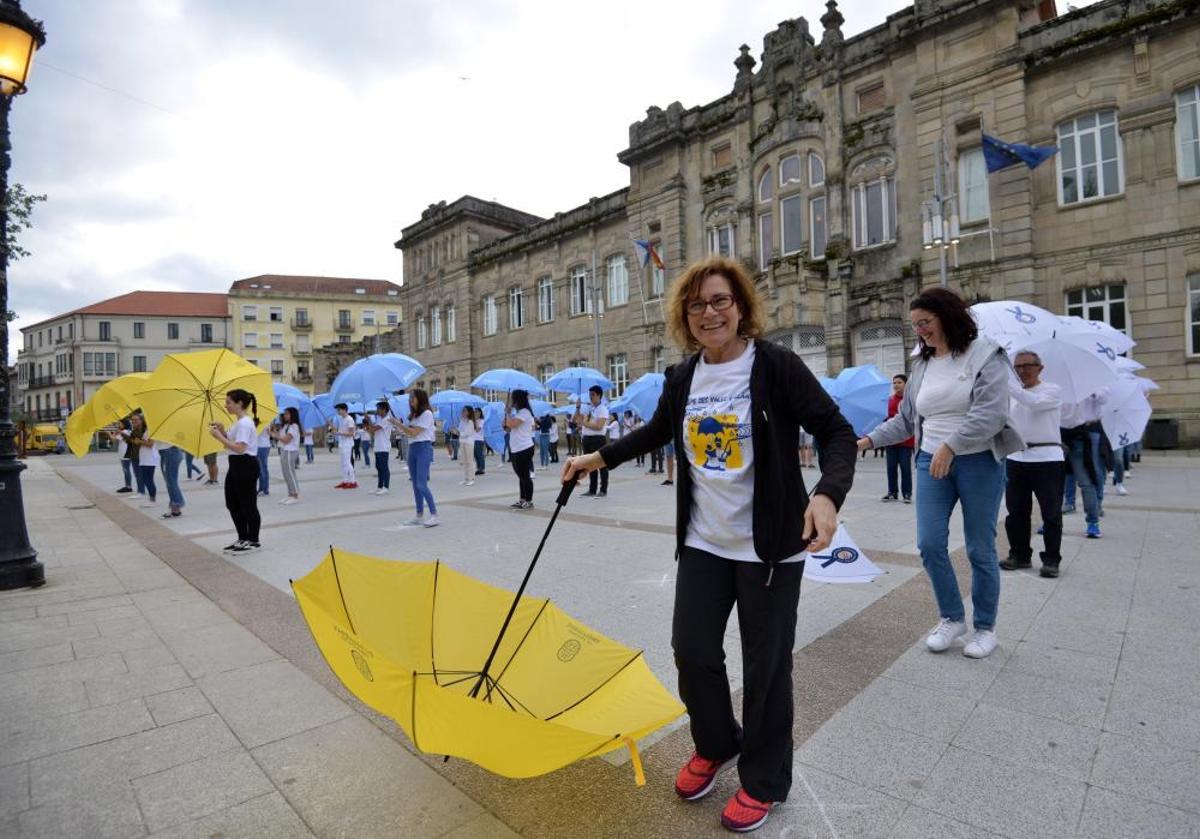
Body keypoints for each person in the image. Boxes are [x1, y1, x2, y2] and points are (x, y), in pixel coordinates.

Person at [563, 256, 856, 833]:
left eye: (720, 300)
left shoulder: (775, 365)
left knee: (766, 668)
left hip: (770, 547)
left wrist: (827, 494)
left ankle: (764, 780)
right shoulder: (683, 377)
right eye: (696, 304)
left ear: (741, 306)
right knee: (692, 650)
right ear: (684, 315)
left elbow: (836, 430)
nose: (709, 313)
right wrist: (599, 457)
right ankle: (717, 743)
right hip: (704, 542)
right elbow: (657, 431)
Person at [859, 286, 1020, 661]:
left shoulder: (986, 354)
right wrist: (866, 441)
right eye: (915, 325)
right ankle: (952, 618)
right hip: (930, 460)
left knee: (980, 548)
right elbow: (906, 420)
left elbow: (992, 413)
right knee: (930, 545)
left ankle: (985, 628)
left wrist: (952, 445)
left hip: (979, 460)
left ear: (948, 316)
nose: (920, 331)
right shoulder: (922, 365)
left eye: (925, 322)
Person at [1001, 350, 1065, 577]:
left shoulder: (1052, 390)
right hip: (1016, 457)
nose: (1022, 370)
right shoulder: (1012, 395)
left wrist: (1010, 387)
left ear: (1040, 368)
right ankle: (1019, 554)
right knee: (1016, 511)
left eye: (1027, 365)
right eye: (1017, 367)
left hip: (1047, 458)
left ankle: (1051, 559)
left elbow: (1035, 403)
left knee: (1051, 512)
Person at [208, 389, 262, 553]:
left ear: (239, 403)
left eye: (229, 402)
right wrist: (223, 431)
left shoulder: (245, 423)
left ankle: (253, 541)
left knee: (248, 504)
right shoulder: (238, 423)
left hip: (245, 464)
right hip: (236, 465)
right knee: (232, 503)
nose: (226, 406)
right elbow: (231, 443)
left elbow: (240, 448)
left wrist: (219, 437)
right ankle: (243, 537)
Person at [393, 389, 438, 526]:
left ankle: (434, 515)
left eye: (413, 397)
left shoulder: (427, 414)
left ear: (420, 398)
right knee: (415, 485)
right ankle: (419, 515)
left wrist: (399, 424)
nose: (410, 400)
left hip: (423, 448)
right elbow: (410, 433)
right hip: (412, 448)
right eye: (410, 398)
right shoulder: (413, 415)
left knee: (421, 484)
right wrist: (400, 429)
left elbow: (414, 432)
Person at [1060, 397, 1103, 538]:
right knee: (1054, 483)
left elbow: (1102, 401)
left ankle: (1093, 522)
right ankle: (1051, 521)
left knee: (1086, 481)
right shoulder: (1054, 388)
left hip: (1079, 435)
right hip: (1057, 436)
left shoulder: (1087, 388)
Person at [882, 374, 915, 503]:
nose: (896, 385)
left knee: (905, 467)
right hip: (890, 440)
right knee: (891, 467)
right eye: (894, 383)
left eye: (899, 382)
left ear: (906, 384)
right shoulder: (889, 401)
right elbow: (885, 419)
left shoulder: (910, 401)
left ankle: (907, 493)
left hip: (906, 441)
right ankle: (892, 492)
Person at [573, 385, 610, 498]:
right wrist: (578, 407)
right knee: (590, 465)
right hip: (587, 439)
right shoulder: (589, 408)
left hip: (598, 439)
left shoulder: (602, 409)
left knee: (601, 465)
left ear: (599, 395)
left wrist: (584, 423)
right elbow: (576, 419)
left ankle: (603, 490)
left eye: (592, 395)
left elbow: (599, 426)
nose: (590, 397)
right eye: (590, 395)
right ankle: (592, 489)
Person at [504, 389, 537, 509]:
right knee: (521, 476)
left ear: (517, 400)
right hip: (516, 448)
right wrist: (507, 416)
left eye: (513, 398)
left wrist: (508, 414)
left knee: (525, 476)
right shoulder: (518, 413)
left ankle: (529, 501)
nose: (511, 401)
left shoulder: (525, 412)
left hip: (524, 448)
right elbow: (508, 428)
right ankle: (522, 499)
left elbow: (512, 424)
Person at [127, 414, 160, 508]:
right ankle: (151, 499)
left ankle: (153, 500)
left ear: (142, 421)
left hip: (150, 459)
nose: (133, 422)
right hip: (144, 458)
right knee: (146, 479)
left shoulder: (150, 430)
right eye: (132, 420)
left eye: (136, 420)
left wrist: (139, 441)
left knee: (148, 480)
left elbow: (150, 444)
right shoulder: (144, 431)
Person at [273, 407, 302, 505]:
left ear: (292, 415)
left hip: (291, 451)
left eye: (287, 414)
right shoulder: (286, 426)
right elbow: (280, 437)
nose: (285, 415)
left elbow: (286, 440)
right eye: (284, 414)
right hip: (284, 450)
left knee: (290, 473)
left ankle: (295, 495)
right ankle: (290, 494)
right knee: (285, 473)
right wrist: (274, 432)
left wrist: (276, 436)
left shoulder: (294, 426)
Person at [367, 402, 394, 496]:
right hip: (378, 446)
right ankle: (380, 486)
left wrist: (369, 420)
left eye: (378, 409)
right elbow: (372, 431)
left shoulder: (387, 419)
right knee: (378, 467)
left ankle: (386, 487)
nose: (377, 411)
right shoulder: (380, 419)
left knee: (384, 467)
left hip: (384, 447)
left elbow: (374, 428)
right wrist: (370, 424)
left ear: (384, 410)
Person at [333, 403, 358, 489]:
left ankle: (353, 481)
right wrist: (335, 431)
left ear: (344, 410)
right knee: (343, 463)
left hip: (348, 444)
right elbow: (339, 430)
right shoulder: (341, 419)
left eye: (339, 410)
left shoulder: (349, 419)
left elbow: (351, 433)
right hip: (342, 443)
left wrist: (339, 433)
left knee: (347, 462)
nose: (338, 411)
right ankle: (345, 481)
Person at [159, 442, 185, 518]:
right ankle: (174, 507)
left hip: (169, 452)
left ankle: (176, 506)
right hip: (168, 452)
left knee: (171, 481)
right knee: (170, 482)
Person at [457, 406, 479, 486]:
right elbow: (460, 430)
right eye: (463, 411)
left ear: (469, 412)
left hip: (469, 443)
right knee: (464, 461)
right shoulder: (462, 421)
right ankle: (466, 478)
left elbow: (467, 433)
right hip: (462, 442)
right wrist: (455, 430)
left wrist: (459, 433)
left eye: (465, 411)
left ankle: (471, 478)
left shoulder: (470, 422)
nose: (463, 412)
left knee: (470, 461)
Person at [255, 424, 271, 497]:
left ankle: (264, 489)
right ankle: (261, 488)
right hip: (257, 446)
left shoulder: (265, 422)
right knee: (259, 469)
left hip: (263, 446)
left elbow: (258, 432)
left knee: (263, 468)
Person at [472, 406, 487, 475]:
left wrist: (475, 421)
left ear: (480, 413)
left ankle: (482, 468)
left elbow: (478, 429)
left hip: (479, 439)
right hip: (473, 439)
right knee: (475, 455)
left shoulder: (482, 421)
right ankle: (478, 468)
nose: (475, 413)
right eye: (475, 412)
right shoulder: (473, 421)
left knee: (479, 454)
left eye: (477, 412)